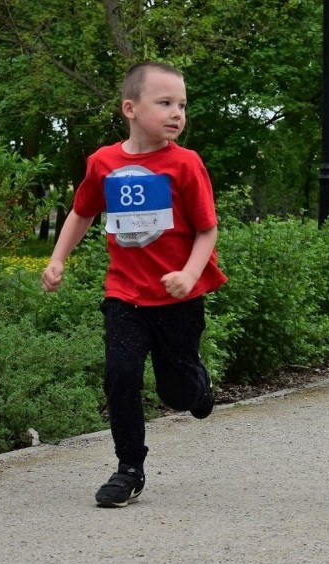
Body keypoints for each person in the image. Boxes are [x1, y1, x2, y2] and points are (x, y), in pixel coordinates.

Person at [41, 62, 227, 508]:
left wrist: (187, 273)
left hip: (180, 299)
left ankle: (197, 386)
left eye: (181, 105)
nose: (176, 113)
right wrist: (57, 258)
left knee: (176, 393)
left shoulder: (185, 163)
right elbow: (82, 211)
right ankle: (129, 469)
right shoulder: (103, 162)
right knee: (121, 375)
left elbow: (207, 229)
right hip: (125, 294)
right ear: (130, 107)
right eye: (165, 103)